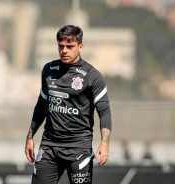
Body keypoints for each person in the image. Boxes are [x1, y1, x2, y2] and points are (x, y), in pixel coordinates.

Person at [25, 25, 112, 184]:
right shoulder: (49, 69)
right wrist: (30, 137)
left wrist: (104, 143)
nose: (64, 50)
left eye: (70, 46)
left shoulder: (93, 76)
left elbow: (104, 111)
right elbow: (41, 105)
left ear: (80, 47)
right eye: (61, 46)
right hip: (49, 146)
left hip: (79, 149)